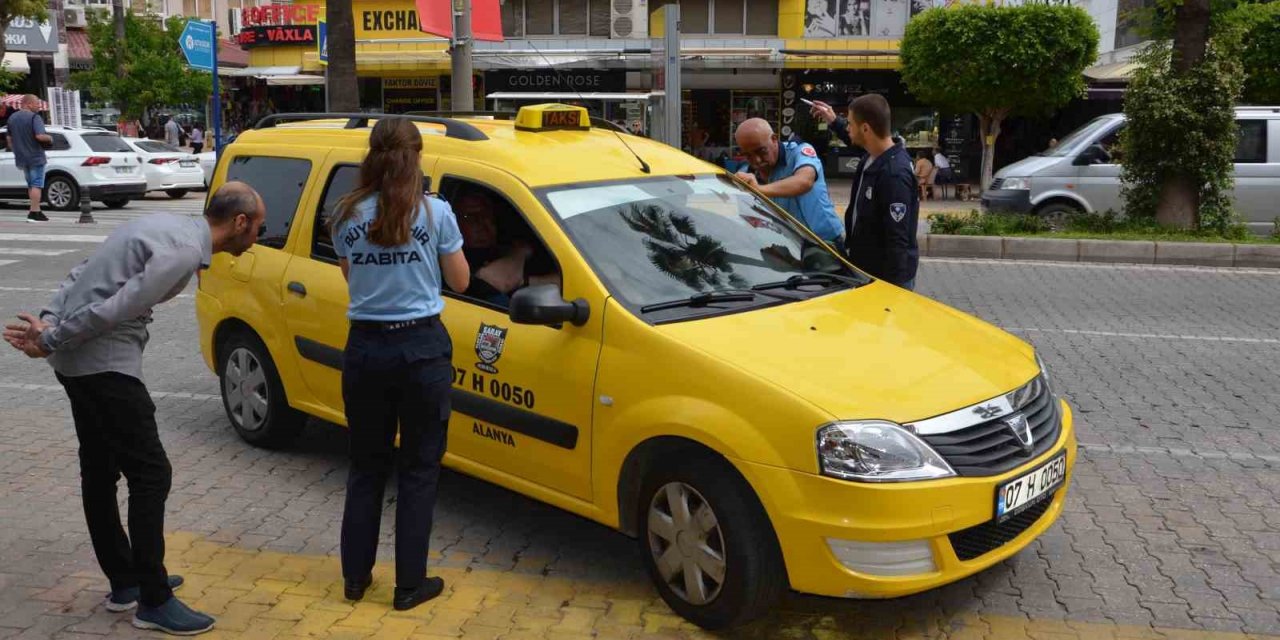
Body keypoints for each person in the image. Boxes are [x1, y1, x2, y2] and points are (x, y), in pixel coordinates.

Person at [2, 182, 267, 635]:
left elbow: (85, 270)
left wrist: (51, 321)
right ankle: (154, 598)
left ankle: (128, 581)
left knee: (101, 468)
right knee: (151, 474)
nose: (258, 238)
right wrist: (49, 338)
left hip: (79, 362)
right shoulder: (184, 251)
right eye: (258, 229)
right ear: (239, 223)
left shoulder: (165, 225)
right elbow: (116, 308)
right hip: (104, 365)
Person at [328, 117, 470, 612]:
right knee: (418, 470)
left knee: (365, 467)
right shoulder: (435, 213)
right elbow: (462, 280)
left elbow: (351, 277)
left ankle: (354, 578)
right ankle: (410, 585)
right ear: (417, 157)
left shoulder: (345, 213)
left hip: (365, 349)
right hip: (421, 349)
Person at [808, 95, 920, 290]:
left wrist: (893, 291)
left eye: (850, 123)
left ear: (866, 128)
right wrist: (834, 121)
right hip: (866, 270)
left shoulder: (894, 174)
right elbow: (853, 138)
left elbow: (897, 240)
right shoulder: (875, 155)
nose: (848, 128)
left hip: (884, 280)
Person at [733, 118, 844, 246]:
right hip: (787, 246)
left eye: (761, 151)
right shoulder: (746, 171)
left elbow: (804, 181)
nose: (757, 160)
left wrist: (758, 190)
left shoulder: (799, 152)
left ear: (774, 139)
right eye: (748, 155)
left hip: (825, 243)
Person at [453, 189, 560, 306]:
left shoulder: (507, 248)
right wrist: (521, 254)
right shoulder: (454, 258)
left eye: (486, 215)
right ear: (454, 222)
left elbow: (564, 283)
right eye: (470, 217)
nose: (483, 224)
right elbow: (494, 280)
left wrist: (525, 281)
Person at [6, 95, 53, 223]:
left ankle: (36, 210)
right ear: (28, 104)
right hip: (35, 156)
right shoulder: (34, 117)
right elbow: (39, 136)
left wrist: (16, 151)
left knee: (31, 185)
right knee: (37, 184)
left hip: (21, 157)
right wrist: (49, 138)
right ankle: (34, 212)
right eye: (36, 103)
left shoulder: (12, 118)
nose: (38, 106)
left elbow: (9, 139)